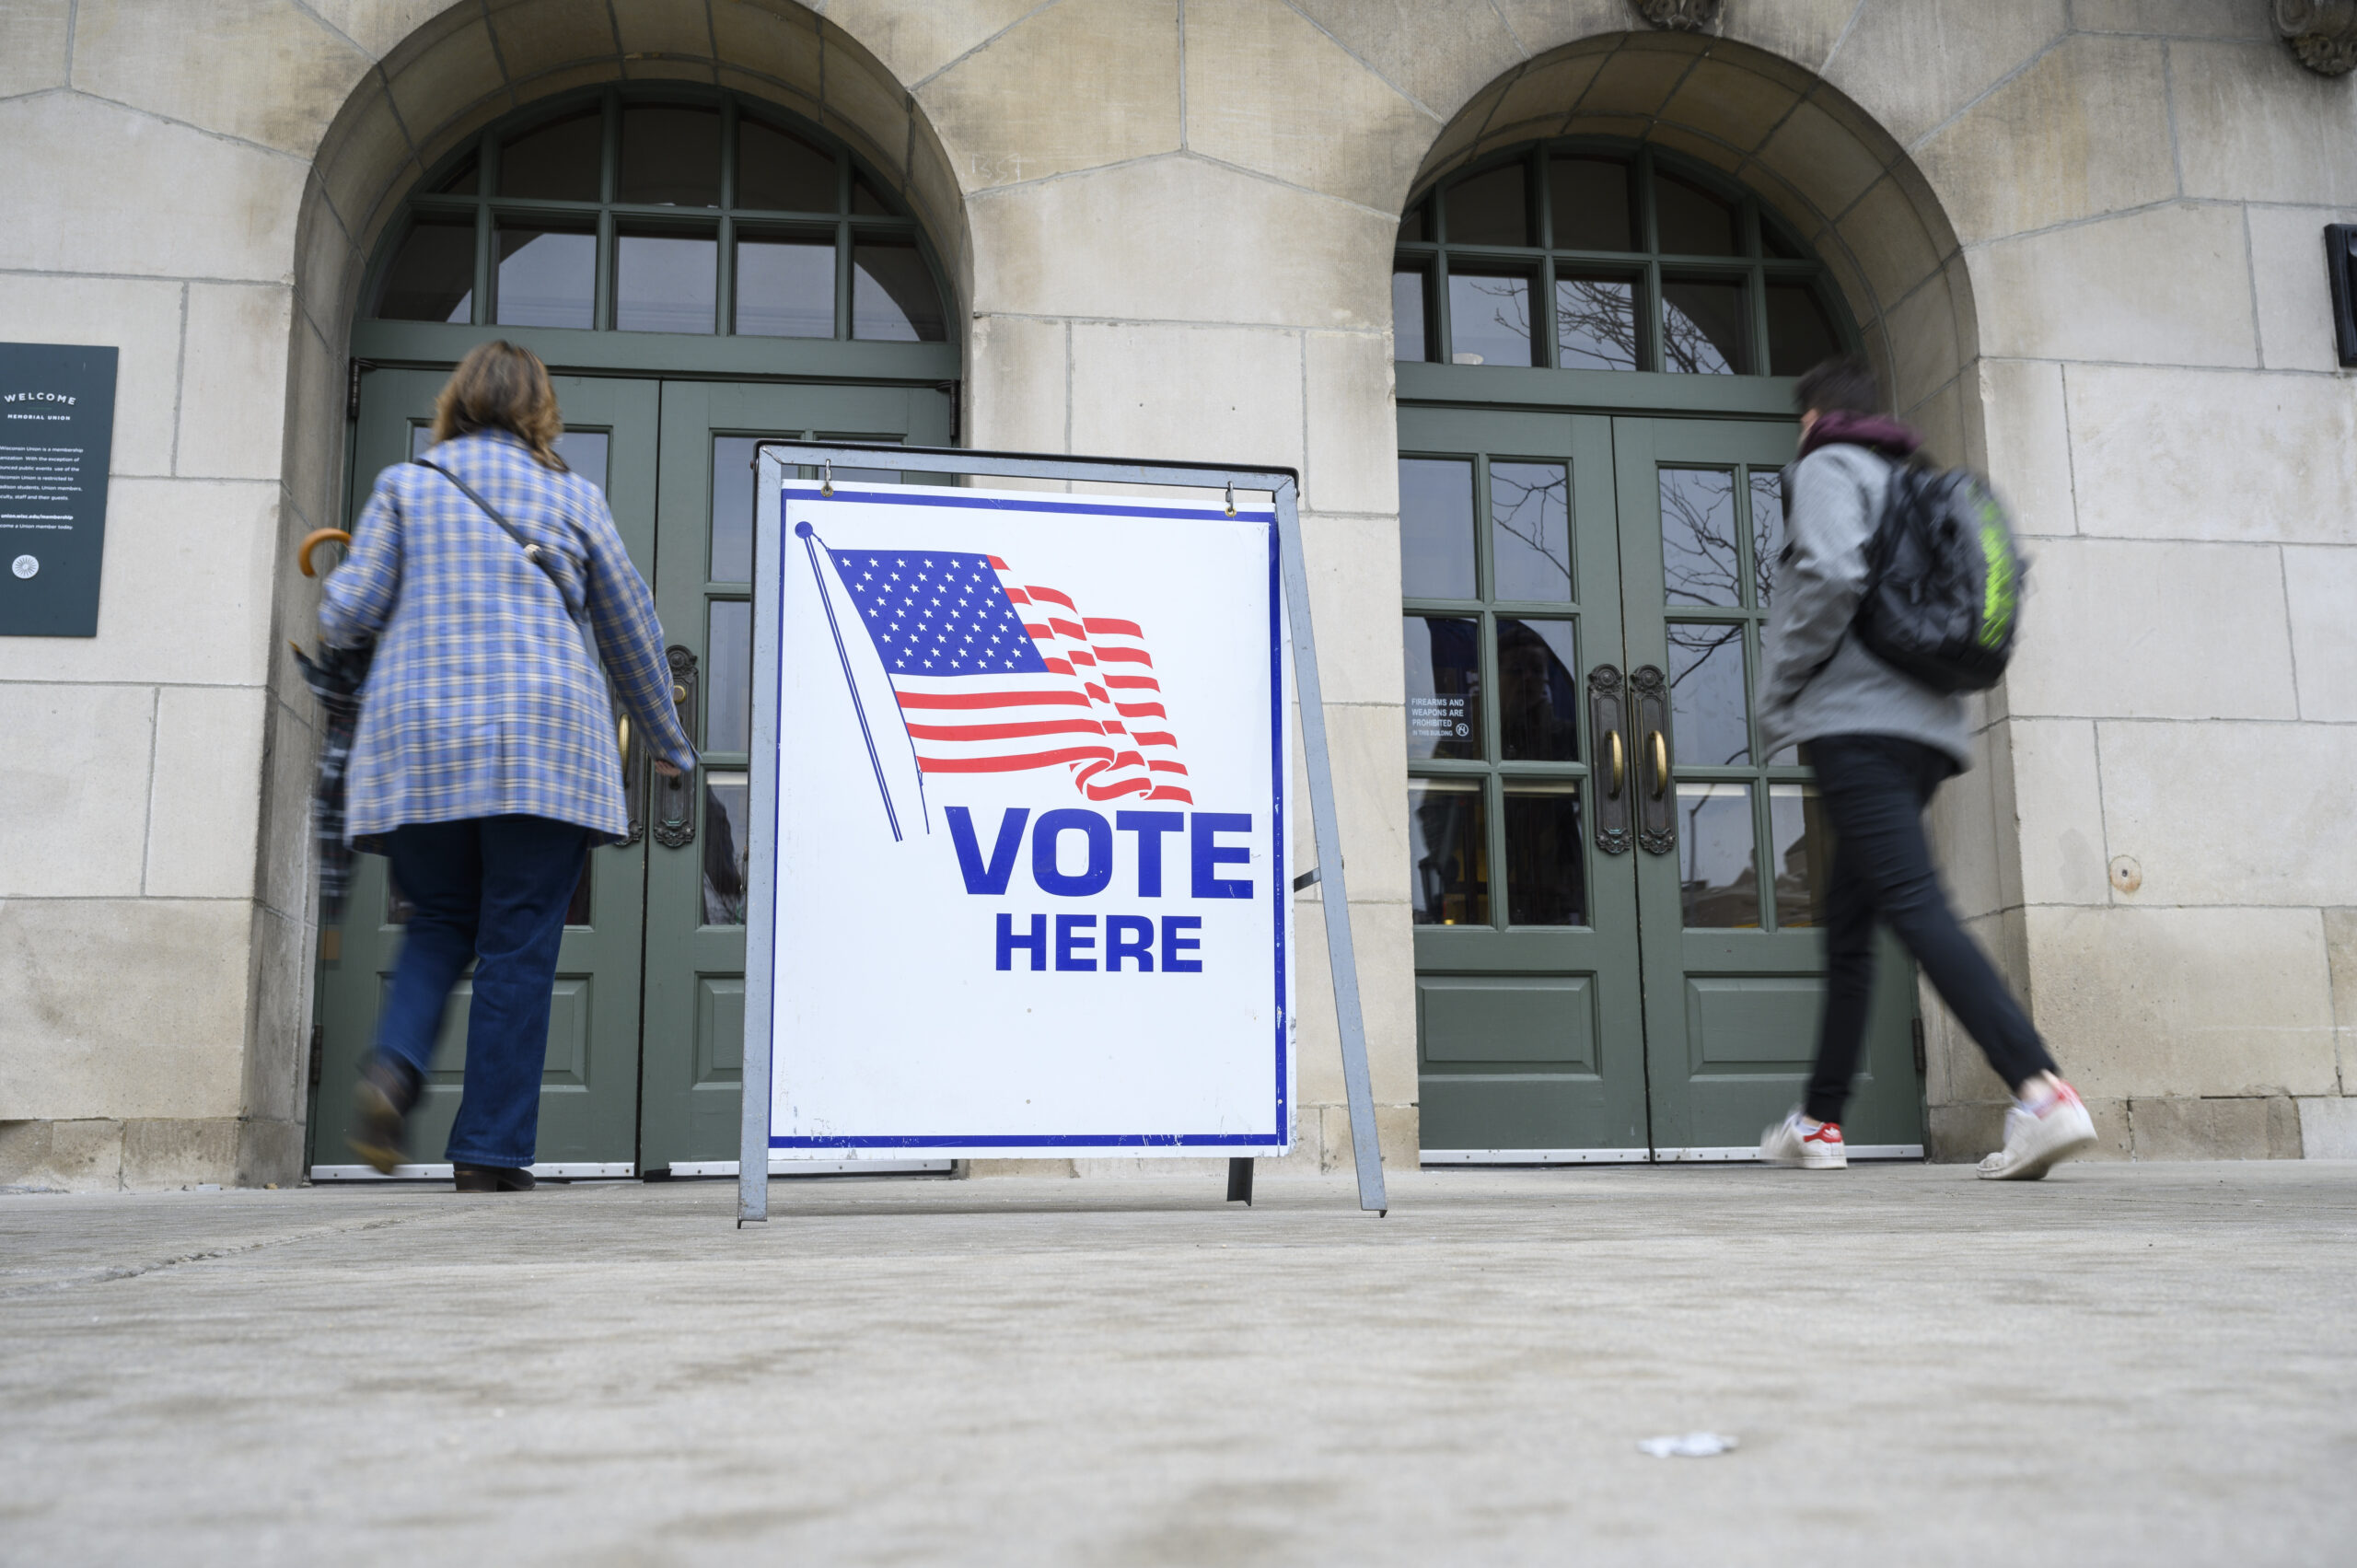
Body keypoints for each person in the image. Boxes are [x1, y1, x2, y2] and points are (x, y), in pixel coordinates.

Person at [322, 342, 696, 1191]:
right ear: (541, 412)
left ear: (453, 403)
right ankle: (489, 1156)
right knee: (518, 946)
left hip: (419, 749)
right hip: (545, 746)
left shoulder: (407, 485)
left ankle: (391, 1072)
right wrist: (669, 743)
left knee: (437, 923)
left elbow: (347, 615)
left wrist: (344, 572)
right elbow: (630, 629)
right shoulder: (573, 496)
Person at [1756, 354, 2096, 1181]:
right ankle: (1821, 1121)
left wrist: (1783, 682)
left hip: (1858, 725)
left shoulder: (1830, 467)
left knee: (1913, 904)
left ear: (1811, 418)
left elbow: (1832, 574)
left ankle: (2040, 1089)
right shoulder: (1908, 481)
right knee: (1850, 927)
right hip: (1924, 729)